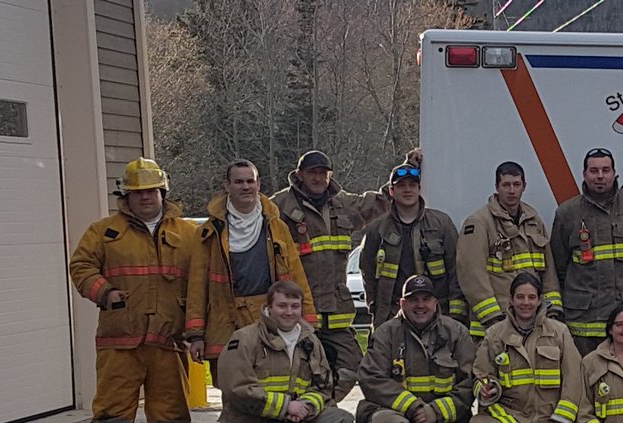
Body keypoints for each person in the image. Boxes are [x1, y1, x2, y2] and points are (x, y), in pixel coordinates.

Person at [66, 158, 196, 423]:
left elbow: (204, 281)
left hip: (169, 340)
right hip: (118, 338)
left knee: (170, 408)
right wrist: (104, 293)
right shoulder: (104, 231)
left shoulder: (188, 235)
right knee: (112, 408)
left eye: (151, 191)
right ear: (125, 195)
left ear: (163, 192)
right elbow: (81, 266)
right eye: (137, 192)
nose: (145, 198)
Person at [185, 281, 354, 423]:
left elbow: (324, 388)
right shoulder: (243, 340)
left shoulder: (310, 341)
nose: (289, 312)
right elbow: (237, 389)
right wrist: (286, 407)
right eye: (282, 306)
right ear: (268, 308)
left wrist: (305, 406)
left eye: (295, 306)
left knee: (341, 421)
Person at [270, 150, 390, 399]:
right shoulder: (278, 206)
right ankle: (299, 417)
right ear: (299, 175)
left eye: (322, 173)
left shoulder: (342, 203)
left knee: (352, 366)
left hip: (336, 311)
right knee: (299, 371)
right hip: (298, 312)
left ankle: (321, 406)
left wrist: (408, 169)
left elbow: (379, 201)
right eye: (312, 173)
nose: (317, 178)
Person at [185, 160, 315, 379]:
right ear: (226, 185)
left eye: (250, 181)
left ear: (258, 184)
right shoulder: (209, 232)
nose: (245, 187)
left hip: (268, 319)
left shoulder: (276, 227)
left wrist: (308, 323)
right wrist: (195, 334)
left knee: (272, 383)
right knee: (232, 387)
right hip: (225, 320)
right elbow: (197, 286)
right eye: (238, 182)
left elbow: (296, 278)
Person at [356, 275, 478, 423]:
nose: (420, 305)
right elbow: (370, 377)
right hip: (399, 419)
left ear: (435, 303)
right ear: (402, 303)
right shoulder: (386, 333)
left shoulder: (457, 333)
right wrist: (413, 407)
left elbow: (469, 382)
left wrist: (436, 412)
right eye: (413, 300)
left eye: (426, 299)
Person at [468, 273, 580, 423]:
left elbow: (574, 380)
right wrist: (485, 389)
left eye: (531, 297)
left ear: (540, 300)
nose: (525, 303)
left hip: (546, 421)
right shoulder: (494, 334)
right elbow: (480, 374)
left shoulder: (559, 332)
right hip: (506, 417)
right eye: (520, 297)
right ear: (510, 300)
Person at [551, 148, 623, 354]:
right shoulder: (567, 213)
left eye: (606, 170)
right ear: (584, 174)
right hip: (585, 323)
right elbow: (559, 266)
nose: (600, 176)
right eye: (594, 171)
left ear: (614, 173)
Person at [456, 162, 562, 339]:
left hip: (533, 321)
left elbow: (549, 270)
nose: (511, 190)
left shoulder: (534, 221)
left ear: (524, 186)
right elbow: (472, 275)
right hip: (494, 324)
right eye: (506, 185)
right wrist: (492, 318)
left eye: (516, 185)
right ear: (497, 187)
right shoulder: (478, 223)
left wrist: (552, 310)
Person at [359, 164, 461, 328]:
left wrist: (455, 315)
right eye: (401, 185)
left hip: (436, 313)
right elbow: (367, 272)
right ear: (391, 191)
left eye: (412, 185)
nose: (407, 190)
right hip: (391, 315)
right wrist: (375, 307)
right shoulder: (377, 230)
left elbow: (456, 269)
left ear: (419, 189)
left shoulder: (441, 224)